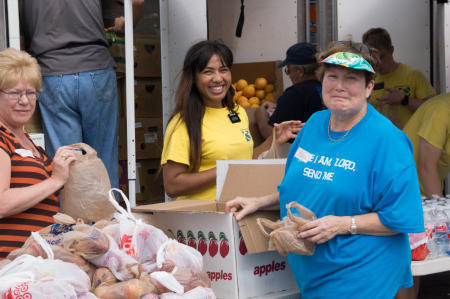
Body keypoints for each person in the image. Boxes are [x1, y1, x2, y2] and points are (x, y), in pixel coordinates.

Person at [226, 42, 425, 298]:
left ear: (369, 87)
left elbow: (400, 217)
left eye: (351, 78)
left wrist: (342, 224)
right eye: (332, 76)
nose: (339, 86)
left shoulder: (388, 140)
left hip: (361, 272)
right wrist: (260, 202)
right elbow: (309, 186)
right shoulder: (315, 124)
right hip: (315, 272)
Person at [19, 0, 144, 188]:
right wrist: (125, 23)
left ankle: (69, 218)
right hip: (96, 68)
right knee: (102, 158)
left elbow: (16, 33)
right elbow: (137, 2)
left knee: (65, 162)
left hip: (53, 71)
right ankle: (107, 216)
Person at [0, 48, 76, 259]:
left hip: (35, 263)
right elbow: (2, 203)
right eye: (15, 93)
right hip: (9, 264)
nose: (24, 101)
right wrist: (55, 180)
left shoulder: (30, 142)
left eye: (30, 93)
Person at [161, 40, 254, 201]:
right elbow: (172, 185)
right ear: (194, 78)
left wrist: (275, 138)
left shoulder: (238, 112)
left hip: (238, 213)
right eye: (208, 72)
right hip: (203, 219)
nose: (218, 78)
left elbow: (244, 160)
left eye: (223, 70)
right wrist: (224, 170)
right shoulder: (183, 122)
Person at [396, 93, 449, 299]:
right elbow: (426, 166)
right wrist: (443, 217)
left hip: (426, 195)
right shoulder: (441, 109)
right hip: (403, 192)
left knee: (418, 262)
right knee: (409, 265)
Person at [362, 27, 435, 128]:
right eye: (374, 58)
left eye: (382, 57)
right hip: (379, 141)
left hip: (407, 140)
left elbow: (434, 109)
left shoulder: (413, 75)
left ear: (392, 50)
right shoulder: (367, 79)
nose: (379, 63)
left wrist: (404, 100)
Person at [255, 42, 324, 141]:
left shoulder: (294, 94)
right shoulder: (325, 88)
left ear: (300, 71)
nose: (289, 75)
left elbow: (273, 136)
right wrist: (278, 107)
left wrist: (260, 116)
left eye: (288, 70)